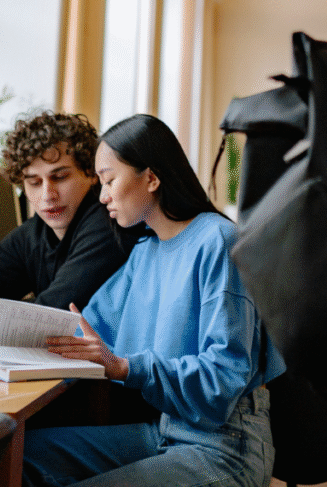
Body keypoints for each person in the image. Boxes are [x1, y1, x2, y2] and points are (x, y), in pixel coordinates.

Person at [22, 113, 284, 487]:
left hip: (227, 447)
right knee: (20, 454)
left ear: (151, 177)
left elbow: (223, 380)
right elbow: (86, 331)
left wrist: (127, 368)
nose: (102, 196)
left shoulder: (218, 241)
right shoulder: (146, 251)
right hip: (166, 430)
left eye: (110, 180)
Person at [0, 111, 138, 339]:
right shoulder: (31, 235)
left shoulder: (108, 222)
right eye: (34, 182)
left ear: (91, 173)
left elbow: (56, 312)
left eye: (60, 177)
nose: (47, 195)